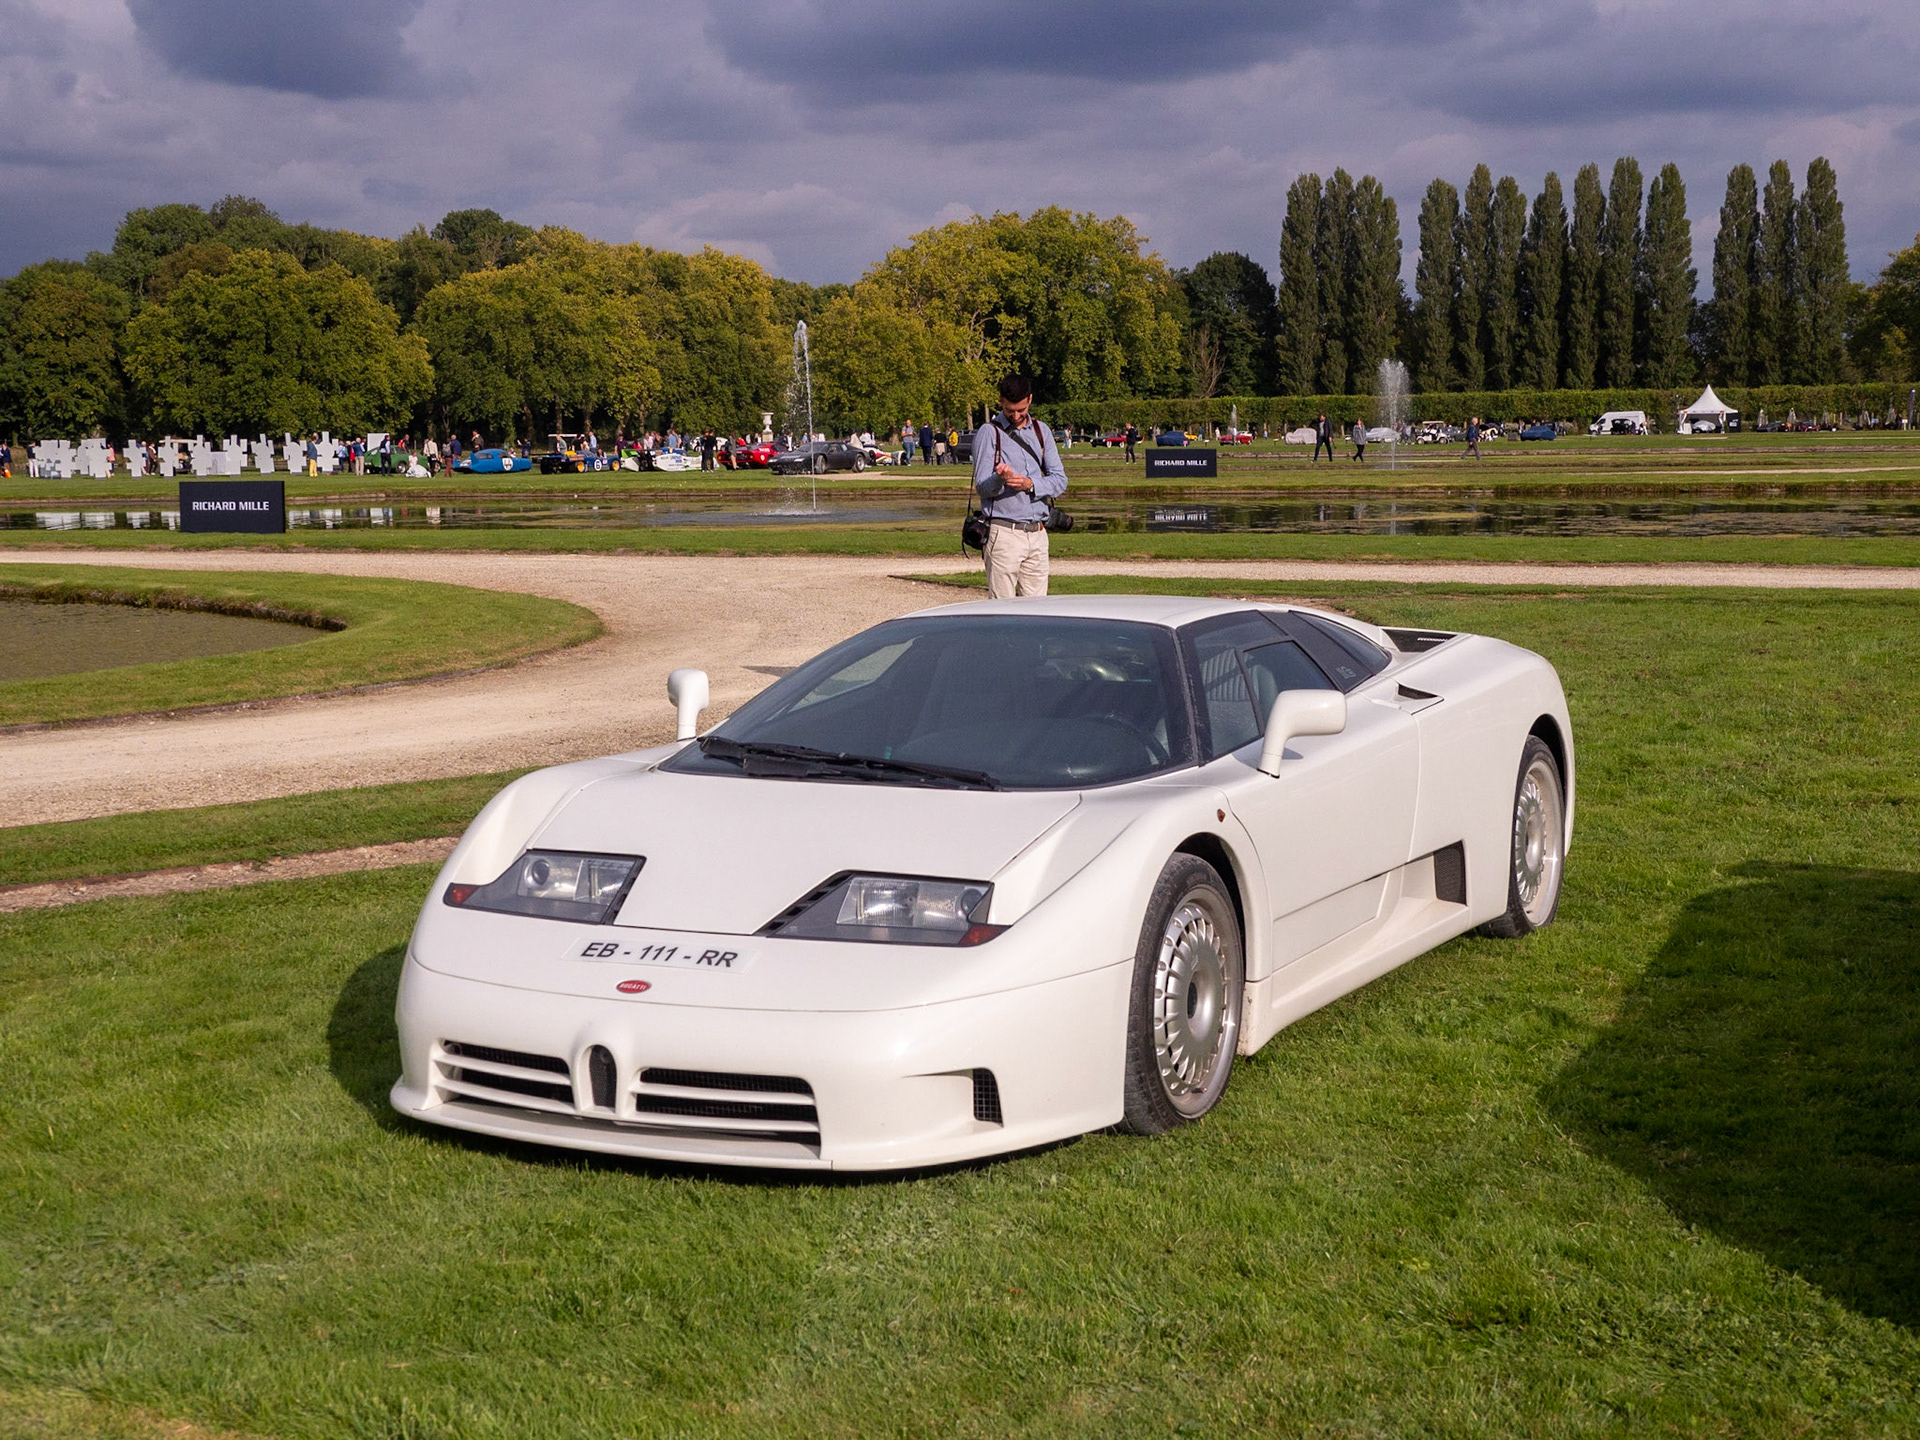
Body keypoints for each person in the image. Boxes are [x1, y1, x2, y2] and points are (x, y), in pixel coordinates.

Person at [973, 374, 1066, 599]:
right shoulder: (989, 432)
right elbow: (982, 488)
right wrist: (1000, 478)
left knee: (1037, 613)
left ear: (1030, 400)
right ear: (1001, 401)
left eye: (1021, 410)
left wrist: (1031, 484)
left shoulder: (1041, 431)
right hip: (1004, 534)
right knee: (1002, 612)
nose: (1016, 416)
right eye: (1010, 410)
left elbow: (1060, 480)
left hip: (1038, 533)